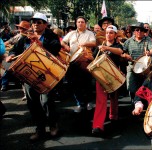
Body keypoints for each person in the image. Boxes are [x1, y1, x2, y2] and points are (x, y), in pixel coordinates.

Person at [6, 12, 61, 141]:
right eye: (34, 22)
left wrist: (40, 44)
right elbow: (15, 49)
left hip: (46, 73)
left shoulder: (51, 36)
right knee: (33, 103)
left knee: (47, 101)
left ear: (45, 24)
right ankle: (40, 129)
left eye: (39, 22)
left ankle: (53, 125)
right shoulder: (25, 37)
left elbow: (55, 49)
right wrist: (11, 55)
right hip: (29, 74)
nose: (35, 24)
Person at [91, 25, 124, 136]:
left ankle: (113, 117)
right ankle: (97, 125)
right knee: (100, 101)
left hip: (114, 76)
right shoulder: (99, 47)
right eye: (107, 33)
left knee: (114, 98)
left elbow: (120, 51)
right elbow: (94, 59)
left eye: (111, 33)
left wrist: (107, 48)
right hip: (101, 77)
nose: (108, 35)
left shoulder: (118, 45)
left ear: (115, 35)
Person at [61, 16, 96, 113]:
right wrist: (65, 46)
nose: (80, 23)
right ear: (76, 23)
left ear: (85, 23)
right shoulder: (71, 33)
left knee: (87, 83)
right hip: (72, 61)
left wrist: (84, 44)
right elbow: (62, 41)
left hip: (85, 60)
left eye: (82, 22)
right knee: (74, 84)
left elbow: (93, 43)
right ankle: (80, 103)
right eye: (79, 22)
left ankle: (89, 102)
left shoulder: (90, 33)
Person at [122, 22, 152, 101]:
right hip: (132, 67)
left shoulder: (148, 40)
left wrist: (149, 52)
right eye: (137, 30)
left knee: (145, 87)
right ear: (134, 31)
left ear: (144, 32)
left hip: (145, 68)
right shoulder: (128, 41)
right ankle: (134, 102)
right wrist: (126, 55)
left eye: (141, 30)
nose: (139, 32)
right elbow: (122, 52)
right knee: (131, 87)